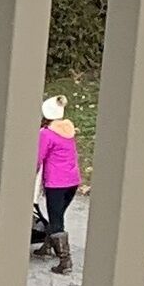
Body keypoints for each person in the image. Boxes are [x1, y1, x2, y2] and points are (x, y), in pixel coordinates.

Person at [35, 94, 82, 272]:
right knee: (58, 215)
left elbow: (38, 157)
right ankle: (47, 247)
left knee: (56, 220)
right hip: (72, 182)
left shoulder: (47, 134)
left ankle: (65, 261)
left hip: (56, 183)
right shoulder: (68, 131)